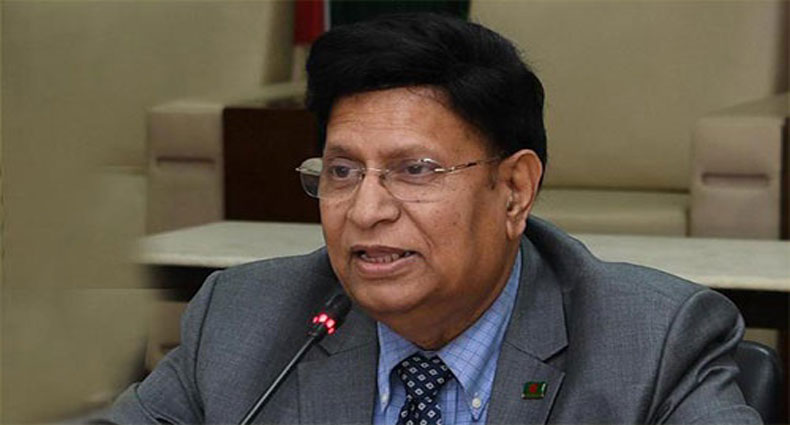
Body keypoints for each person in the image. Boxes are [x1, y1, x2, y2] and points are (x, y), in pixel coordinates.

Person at [103, 13, 761, 424]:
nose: (366, 210)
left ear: (514, 190)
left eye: (415, 170)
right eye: (342, 171)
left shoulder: (650, 342)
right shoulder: (245, 320)